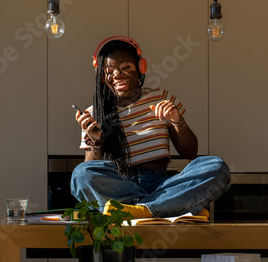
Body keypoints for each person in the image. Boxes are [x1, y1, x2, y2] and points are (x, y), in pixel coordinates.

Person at [71, 36, 230, 219]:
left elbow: (190, 153)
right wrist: (96, 142)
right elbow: (90, 170)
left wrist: (177, 121)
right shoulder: (94, 113)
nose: (117, 75)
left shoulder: (161, 98)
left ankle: (142, 210)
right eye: (109, 71)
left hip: (161, 185)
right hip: (120, 187)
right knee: (80, 174)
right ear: (101, 75)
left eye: (125, 68)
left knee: (216, 166)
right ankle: (171, 207)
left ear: (141, 68)